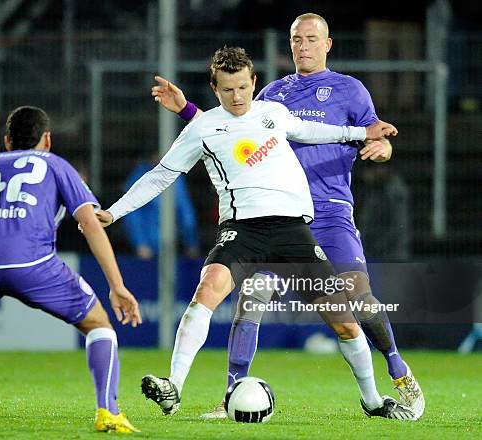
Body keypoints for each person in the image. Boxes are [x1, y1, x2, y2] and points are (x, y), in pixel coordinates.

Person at [97, 47, 415, 420]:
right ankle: (174, 386)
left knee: (343, 319)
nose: (237, 97)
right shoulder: (202, 128)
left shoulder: (273, 113)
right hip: (242, 231)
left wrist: (363, 131)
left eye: (244, 88)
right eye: (228, 90)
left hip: (292, 230)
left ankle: (373, 400)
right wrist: (114, 212)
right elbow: (161, 176)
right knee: (207, 290)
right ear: (214, 88)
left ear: (254, 83)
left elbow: (314, 131)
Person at [0, 106, 142, 434]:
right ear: (47, 139)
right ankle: (109, 413)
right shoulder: (57, 165)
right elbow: (89, 223)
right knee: (99, 324)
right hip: (33, 264)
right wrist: (117, 286)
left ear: (7, 141)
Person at [122, 152, 200, 259]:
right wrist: (140, 243)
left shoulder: (176, 177)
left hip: (171, 245)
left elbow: (185, 210)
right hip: (145, 248)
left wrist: (191, 242)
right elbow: (131, 213)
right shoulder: (140, 176)